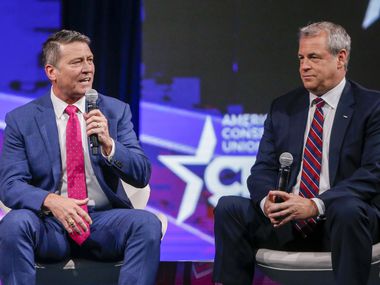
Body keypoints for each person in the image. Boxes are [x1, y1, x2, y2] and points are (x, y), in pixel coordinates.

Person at [213, 21, 380, 285]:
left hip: (342, 220)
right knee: (229, 207)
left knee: (347, 210)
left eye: (314, 57)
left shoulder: (371, 107)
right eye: (301, 58)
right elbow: (262, 170)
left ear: (341, 58)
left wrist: (315, 205)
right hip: (288, 222)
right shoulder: (283, 107)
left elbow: (373, 174)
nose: (304, 66)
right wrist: (268, 203)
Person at [0, 30, 161, 285]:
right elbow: (10, 185)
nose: (88, 69)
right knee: (14, 223)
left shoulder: (116, 111)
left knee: (147, 224)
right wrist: (51, 201)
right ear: (51, 72)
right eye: (77, 62)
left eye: (90, 60)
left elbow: (141, 174)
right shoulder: (22, 120)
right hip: (48, 224)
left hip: (102, 222)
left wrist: (110, 146)